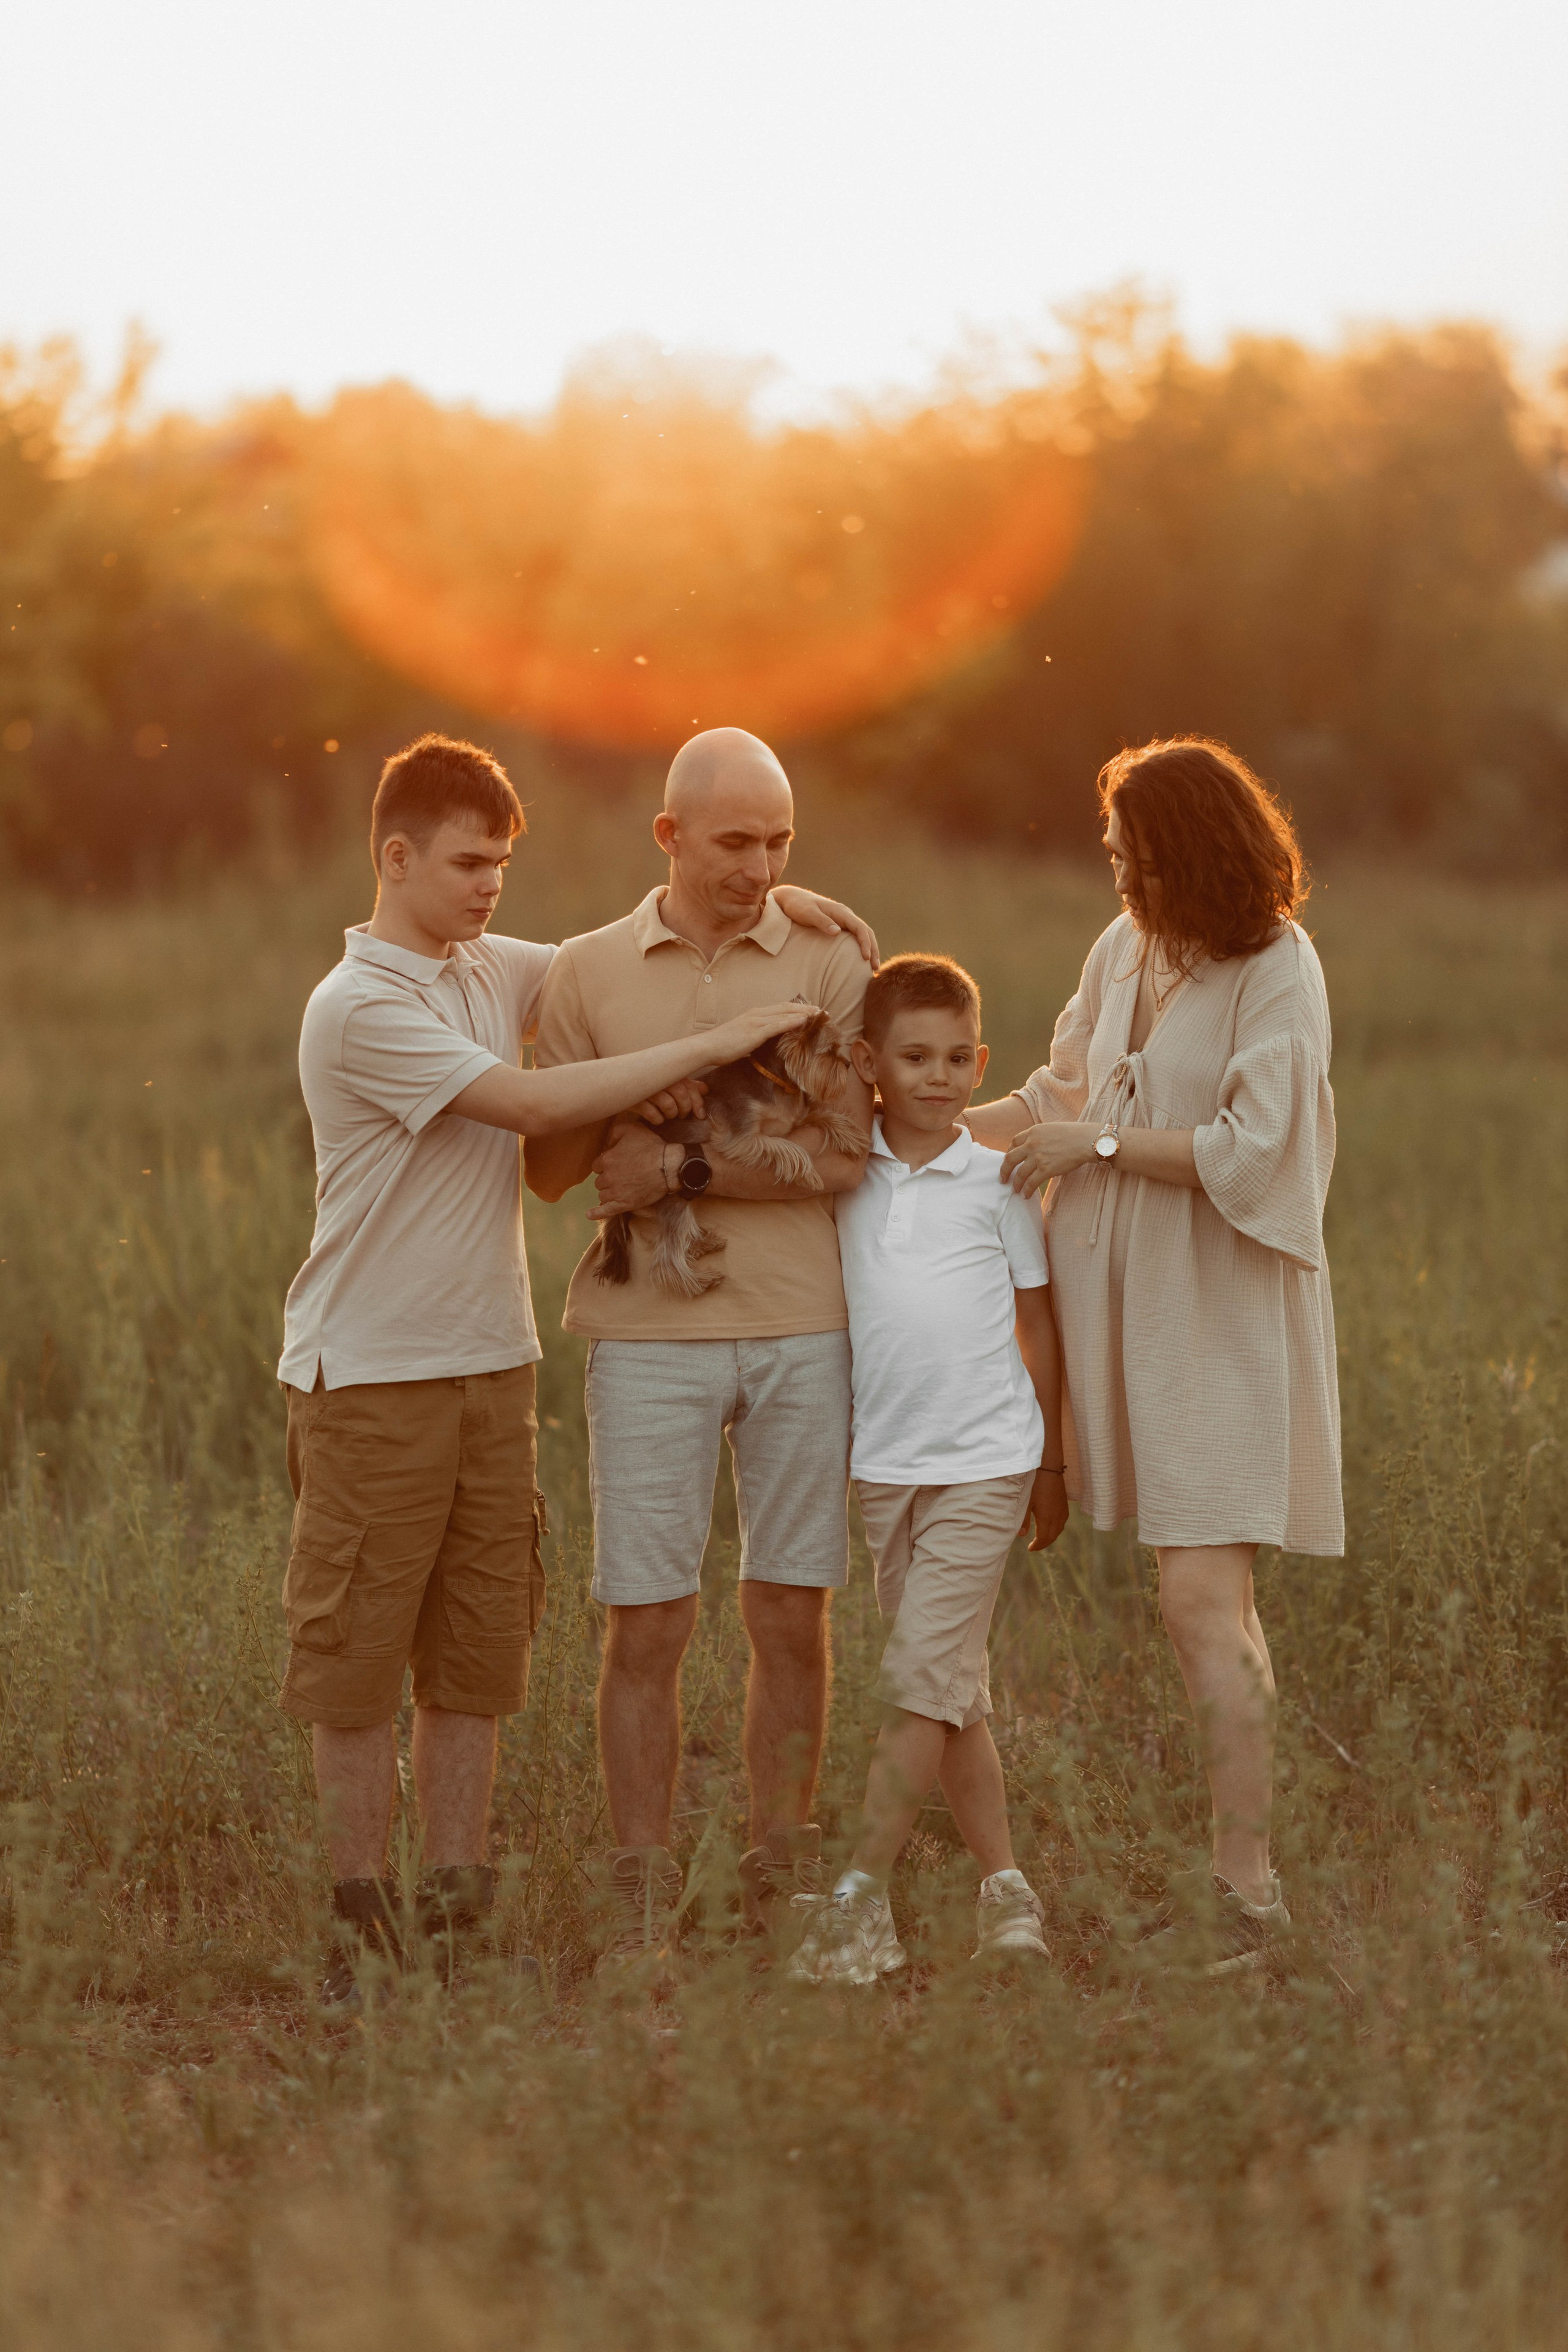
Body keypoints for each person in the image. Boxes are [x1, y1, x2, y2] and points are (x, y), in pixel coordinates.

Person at [278, 731, 873, 2005]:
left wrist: (792, 898)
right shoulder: (362, 1003)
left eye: (502, 862)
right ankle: (355, 1921)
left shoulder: (493, 967)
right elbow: (544, 1114)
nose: (491, 885)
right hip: (370, 1368)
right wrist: (733, 1042)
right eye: (466, 864)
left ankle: (451, 1910)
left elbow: (633, 944)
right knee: (359, 1657)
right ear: (395, 858)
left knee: (477, 1657)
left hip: (494, 1360)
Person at [965, 736, 1343, 1972]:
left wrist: (1103, 1149)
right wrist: (907, 1129)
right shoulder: (1121, 946)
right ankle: (1250, 1885)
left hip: (1215, 1306)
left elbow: (1255, 1148)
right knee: (1208, 1598)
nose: (1119, 878)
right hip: (1123, 1304)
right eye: (1114, 860)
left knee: (1195, 1597)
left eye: (1136, 860)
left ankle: (1248, 1893)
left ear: (1192, 855)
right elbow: (1053, 1094)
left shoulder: (1275, 967)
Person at [524, 727, 878, 1970]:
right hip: (645, 1335)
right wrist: (627, 1096)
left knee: (791, 1611)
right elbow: (555, 1166)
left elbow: (841, 1157)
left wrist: (675, 1161)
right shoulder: (584, 971)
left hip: (801, 1325)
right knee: (646, 1622)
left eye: (780, 840)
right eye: (735, 841)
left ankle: (779, 1878)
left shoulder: (833, 956)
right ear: (668, 837)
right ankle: (640, 1895)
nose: (761, 865)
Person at [788, 955, 1068, 1985]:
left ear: (983, 1061)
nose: (940, 1077)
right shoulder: (843, 1177)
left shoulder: (995, 1182)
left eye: (959, 1058)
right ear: (869, 1063)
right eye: (914, 1058)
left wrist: (1053, 1459)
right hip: (886, 1465)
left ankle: (862, 1902)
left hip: (988, 1459)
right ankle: (1007, 1893)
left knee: (915, 1682)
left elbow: (1038, 1320)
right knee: (951, 1689)